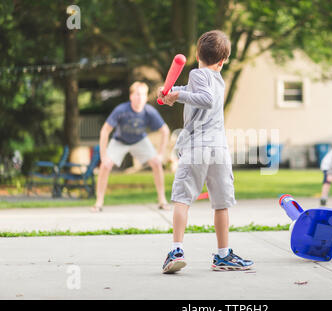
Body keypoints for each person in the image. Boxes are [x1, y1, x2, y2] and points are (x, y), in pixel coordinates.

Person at [158, 30, 254, 274]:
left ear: (197, 54)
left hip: (197, 147)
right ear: (222, 62)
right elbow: (195, 90)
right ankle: (223, 255)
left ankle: (176, 250)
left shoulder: (197, 74)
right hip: (218, 149)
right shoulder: (216, 78)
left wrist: (177, 95)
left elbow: (204, 98)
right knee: (221, 203)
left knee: (182, 198)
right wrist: (170, 93)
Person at [91, 81, 171, 212]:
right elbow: (105, 131)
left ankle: (162, 200)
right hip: (120, 141)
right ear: (131, 96)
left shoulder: (149, 111)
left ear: (146, 97)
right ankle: (98, 202)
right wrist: (103, 155)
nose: (140, 98)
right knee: (105, 165)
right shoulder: (121, 110)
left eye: (143, 95)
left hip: (139, 140)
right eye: (138, 94)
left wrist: (161, 154)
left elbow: (165, 131)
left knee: (156, 163)